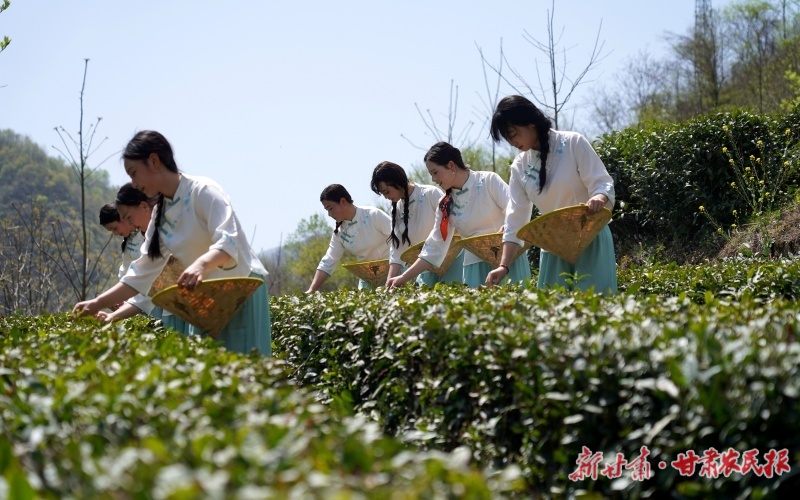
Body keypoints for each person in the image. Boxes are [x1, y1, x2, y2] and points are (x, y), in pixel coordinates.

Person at [74, 130, 271, 355]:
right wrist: (96, 303)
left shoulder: (202, 190)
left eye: (134, 173)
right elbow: (139, 275)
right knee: (209, 369)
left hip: (241, 289)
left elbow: (230, 239)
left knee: (246, 367)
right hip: (207, 299)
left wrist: (201, 264)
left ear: (154, 161)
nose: (134, 184)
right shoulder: (160, 216)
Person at [485, 95, 617, 293]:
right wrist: (503, 266)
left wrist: (599, 198)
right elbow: (515, 218)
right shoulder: (520, 167)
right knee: (554, 305)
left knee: (596, 302)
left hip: (590, 234)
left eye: (513, 134)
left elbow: (602, 182)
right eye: (507, 138)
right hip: (553, 244)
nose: (512, 142)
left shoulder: (572, 142)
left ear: (530, 122)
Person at [386, 142, 531, 289]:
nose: (433, 180)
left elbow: (515, 210)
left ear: (451, 165)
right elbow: (434, 246)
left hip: (508, 256)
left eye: (435, 172)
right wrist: (403, 277)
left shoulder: (488, 180)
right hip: (474, 266)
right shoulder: (445, 204)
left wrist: (507, 226)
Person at [109, 183, 187, 333]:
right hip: (171, 310)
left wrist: (101, 305)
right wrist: (111, 312)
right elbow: (144, 288)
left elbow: (140, 281)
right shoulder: (153, 237)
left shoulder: (171, 230)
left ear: (144, 206)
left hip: (190, 309)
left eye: (129, 218)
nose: (131, 225)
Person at [370, 161, 462, 286]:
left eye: (386, 191)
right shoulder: (396, 210)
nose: (386, 197)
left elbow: (453, 227)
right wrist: (390, 282)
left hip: (452, 261)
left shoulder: (430, 194)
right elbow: (397, 249)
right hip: (425, 266)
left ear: (396, 181)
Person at [306, 184, 392, 292]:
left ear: (343, 201)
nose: (329, 214)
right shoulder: (339, 232)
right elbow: (328, 261)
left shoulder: (373, 215)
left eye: (330, 208)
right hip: (368, 281)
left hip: (394, 272)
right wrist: (311, 290)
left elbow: (400, 238)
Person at [98, 203, 152, 317]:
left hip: (151, 299)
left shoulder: (147, 235)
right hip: (138, 302)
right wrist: (119, 297)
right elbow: (126, 271)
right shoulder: (128, 241)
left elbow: (147, 274)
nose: (115, 233)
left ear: (123, 218)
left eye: (114, 228)